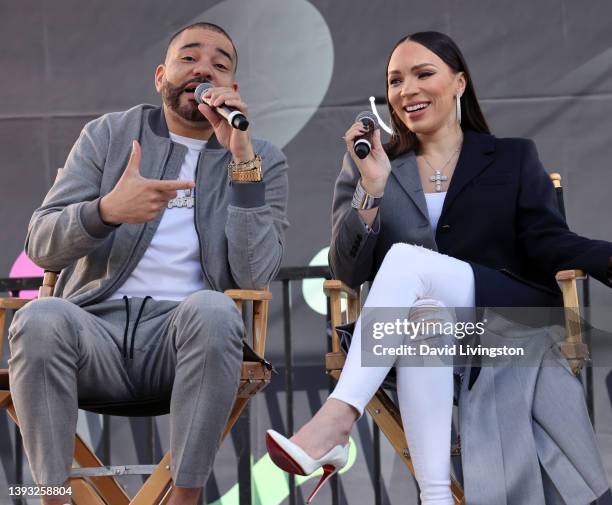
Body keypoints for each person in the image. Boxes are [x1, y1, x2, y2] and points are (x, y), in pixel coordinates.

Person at [266, 31, 612, 504]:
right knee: (425, 313)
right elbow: (348, 271)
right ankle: (435, 497)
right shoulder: (375, 166)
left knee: (409, 263)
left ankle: (337, 418)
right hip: (419, 336)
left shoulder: (511, 156)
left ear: (459, 83)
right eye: (394, 81)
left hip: (509, 324)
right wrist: (371, 188)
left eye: (423, 74)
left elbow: (547, 241)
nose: (407, 90)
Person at [8, 22, 288, 505]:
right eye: (189, 59)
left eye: (219, 65)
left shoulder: (262, 158)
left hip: (184, 342)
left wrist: (241, 160)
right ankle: (54, 498)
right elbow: (41, 244)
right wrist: (105, 213)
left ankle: (183, 498)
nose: (203, 68)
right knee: (39, 316)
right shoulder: (109, 136)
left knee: (214, 309)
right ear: (161, 77)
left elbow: (254, 274)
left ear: (232, 90)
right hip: (92, 333)